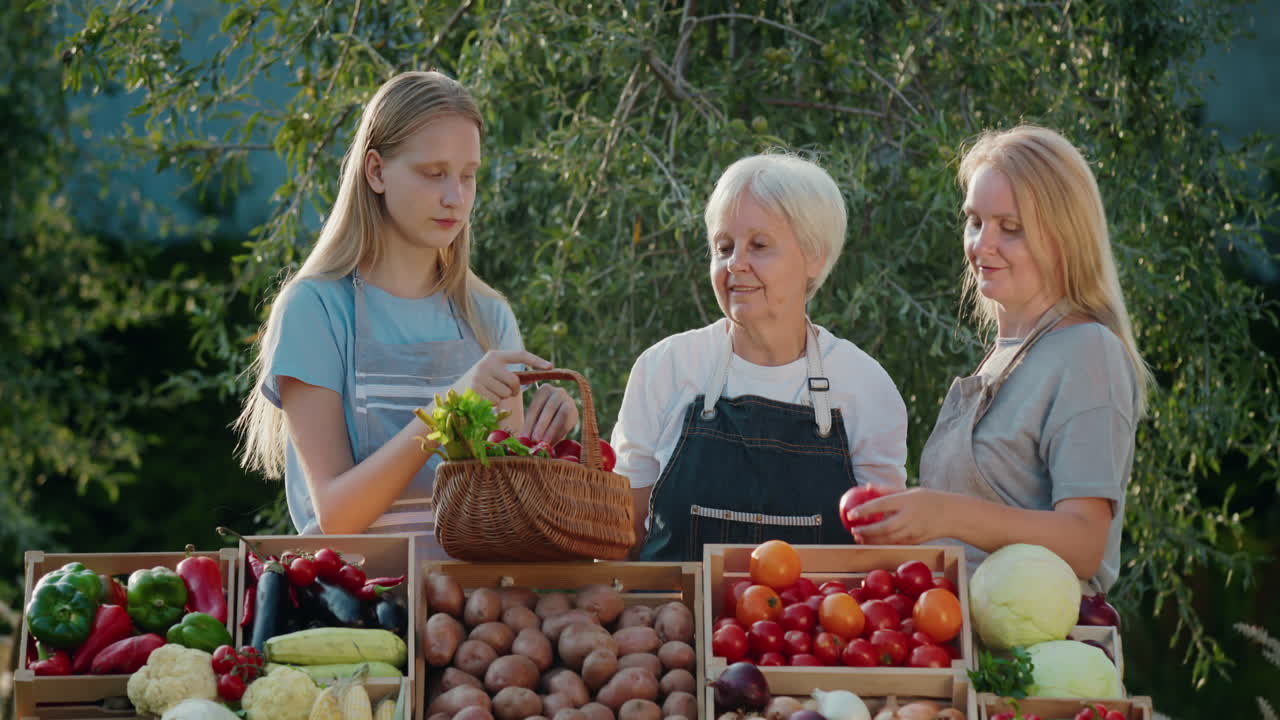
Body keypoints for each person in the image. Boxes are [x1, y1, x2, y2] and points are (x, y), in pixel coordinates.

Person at [235, 71, 578, 556]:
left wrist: (547, 447)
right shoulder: (316, 310)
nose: (455, 197)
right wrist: (446, 410)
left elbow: (506, 513)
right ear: (376, 172)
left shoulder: (488, 316)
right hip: (355, 609)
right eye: (433, 173)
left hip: (478, 614)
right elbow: (336, 514)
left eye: (468, 175)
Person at [851, 125, 1151, 592]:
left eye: (1010, 229)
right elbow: (967, 547)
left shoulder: (1088, 353)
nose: (981, 245)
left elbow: (1084, 542)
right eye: (975, 221)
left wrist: (945, 511)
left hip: (1035, 655)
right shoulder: (1004, 356)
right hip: (963, 642)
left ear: (1063, 238)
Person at [613, 153, 909, 561]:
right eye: (724, 246)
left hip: (814, 625)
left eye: (759, 245)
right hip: (673, 621)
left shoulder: (865, 387)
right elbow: (621, 534)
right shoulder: (664, 369)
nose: (736, 263)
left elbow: (881, 556)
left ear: (815, 255)